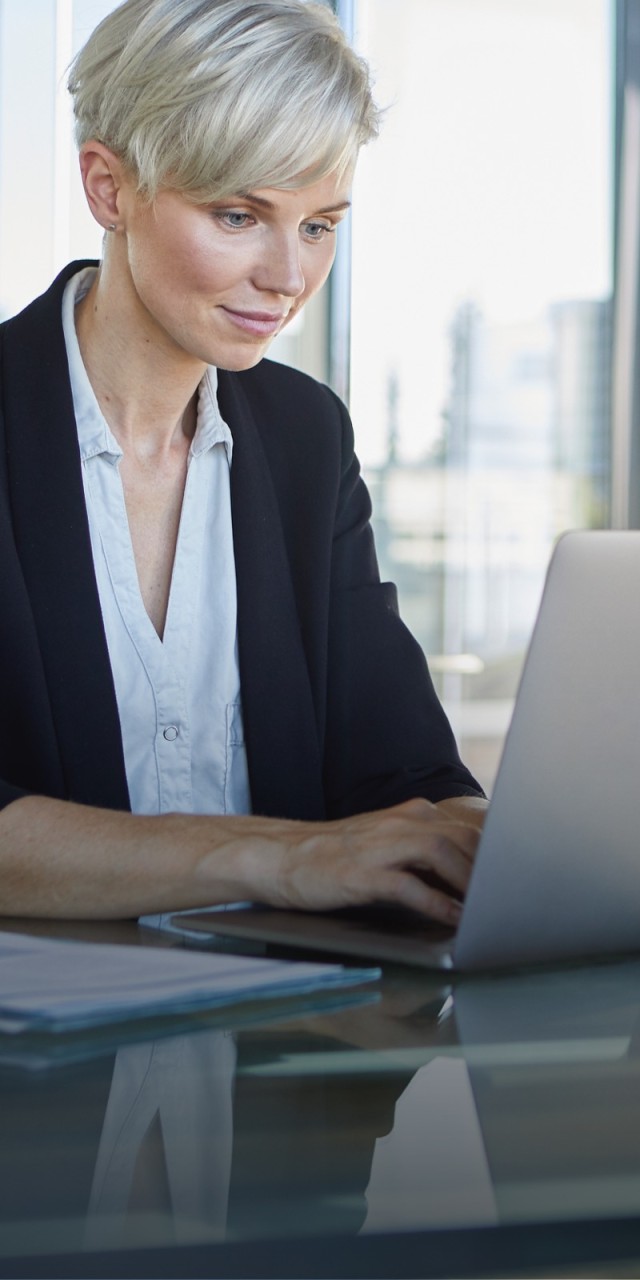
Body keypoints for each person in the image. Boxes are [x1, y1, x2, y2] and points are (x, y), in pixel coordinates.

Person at [0, 0, 487, 925]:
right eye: (238, 214)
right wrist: (279, 856)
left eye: (318, 225)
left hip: (272, 1038)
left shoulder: (307, 439)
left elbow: (403, 769)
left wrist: (499, 849)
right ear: (108, 187)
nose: (288, 276)